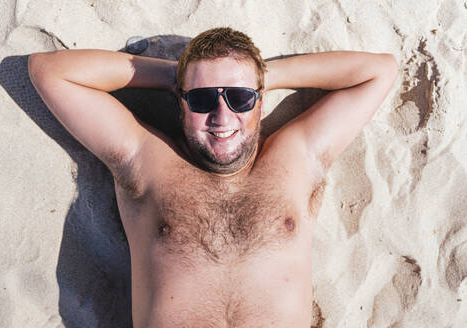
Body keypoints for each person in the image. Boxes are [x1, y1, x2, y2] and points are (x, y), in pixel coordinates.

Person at [28, 27, 398, 327]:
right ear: (181, 102)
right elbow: (49, 71)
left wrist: (264, 75)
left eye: (239, 97)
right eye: (203, 100)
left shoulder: (296, 159)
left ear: (261, 99)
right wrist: (175, 76)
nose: (222, 117)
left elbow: (379, 71)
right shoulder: (147, 162)